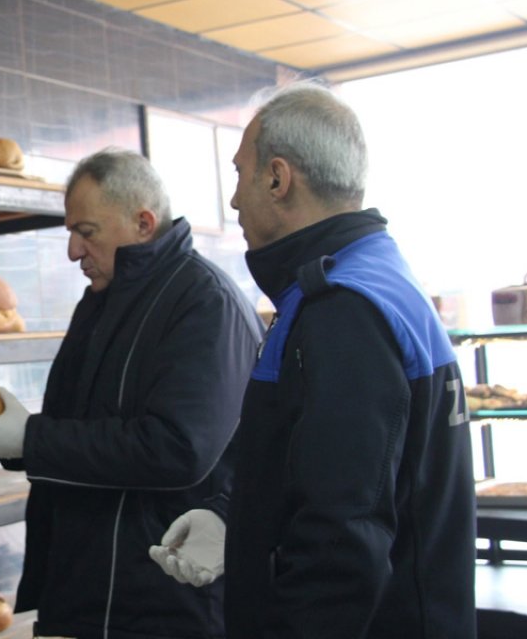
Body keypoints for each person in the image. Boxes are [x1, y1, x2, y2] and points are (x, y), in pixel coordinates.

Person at [151, 82, 476, 638]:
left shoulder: (343, 310)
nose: (233, 201)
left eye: (239, 174)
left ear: (277, 178)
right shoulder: (371, 279)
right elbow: (318, 461)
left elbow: (341, 539)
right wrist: (234, 517)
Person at [0, 149, 263, 637]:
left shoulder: (206, 303)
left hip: (161, 604)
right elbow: (79, 428)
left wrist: (29, 439)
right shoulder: (101, 300)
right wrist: (7, 441)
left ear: (143, 223)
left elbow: (176, 449)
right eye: (70, 232)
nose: (73, 251)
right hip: (80, 595)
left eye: (87, 232)